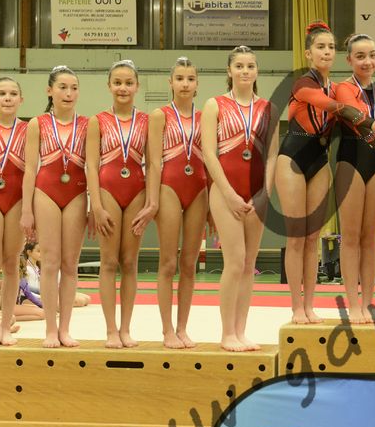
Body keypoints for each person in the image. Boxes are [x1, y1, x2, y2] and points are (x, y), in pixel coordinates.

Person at [275, 22, 375, 325]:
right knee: (296, 237)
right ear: (308, 53)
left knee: (313, 238)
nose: (326, 52)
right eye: (320, 47)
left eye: (330, 47)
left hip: (320, 160)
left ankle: (310, 306)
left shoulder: (336, 85)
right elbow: (336, 108)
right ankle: (296, 307)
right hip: (293, 159)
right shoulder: (303, 83)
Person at [201, 46, 278, 351]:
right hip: (225, 192)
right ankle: (227, 334)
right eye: (239, 66)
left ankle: (241, 331)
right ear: (229, 71)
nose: (245, 71)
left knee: (249, 264)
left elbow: (272, 155)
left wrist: (265, 193)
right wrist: (229, 194)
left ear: (257, 71)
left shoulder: (268, 108)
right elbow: (209, 154)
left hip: (257, 193)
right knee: (234, 262)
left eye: (250, 66)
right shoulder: (214, 105)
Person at [331, 34, 375, 323]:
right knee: (350, 236)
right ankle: (353, 303)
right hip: (351, 160)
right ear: (349, 59)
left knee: (370, 237)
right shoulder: (342, 88)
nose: (367, 61)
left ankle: (368, 301)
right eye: (360, 56)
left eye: (372, 55)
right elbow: (356, 120)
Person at [21, 65, 88, 348]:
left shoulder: (88, 124)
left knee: (70, 264)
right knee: (49, 262)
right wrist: (26, 210)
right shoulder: (37, 124)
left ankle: (65, 328)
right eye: (62, 87)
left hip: (77, 193)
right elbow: (29, 168)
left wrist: (94, 205)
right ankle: (50, 328)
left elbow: (94, 167)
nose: (68, 93)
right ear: (50, 91)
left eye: (74, 88)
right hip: (45, 191)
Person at [87, 60, 151, 349]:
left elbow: (154, 163)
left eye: (128, 83)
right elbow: (91, 165)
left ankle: (126, 328)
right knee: (109, 261)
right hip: (108, 190)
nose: (123, 88)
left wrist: (151, 202)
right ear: (109, 86)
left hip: (137, 190)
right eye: (117, 83)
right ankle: (111, 329)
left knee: (129, 262)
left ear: (137, 86)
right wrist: (96, 205)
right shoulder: (98, 121)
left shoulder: (147, 121)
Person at [146, 57, 208, 348]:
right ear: (170, 83)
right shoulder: (159, 115)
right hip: (169, 186)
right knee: (168, 262)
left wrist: (213, 206)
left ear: (197, 84)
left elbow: (211, 160)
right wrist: (152, 200)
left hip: (199, 188)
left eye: (190, 79)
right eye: (180, 78)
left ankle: (183, 328)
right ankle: (167, 330)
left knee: (189, 263)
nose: (185, 84)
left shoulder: (206, 116)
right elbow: (153, 162)